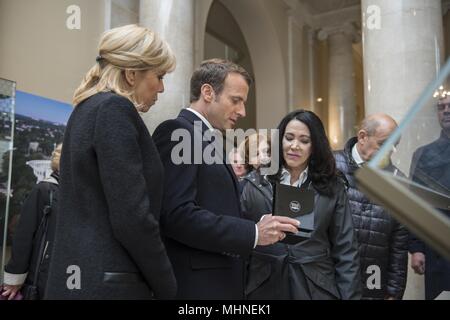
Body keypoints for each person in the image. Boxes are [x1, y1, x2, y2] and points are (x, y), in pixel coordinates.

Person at [44, 24, 177, 300]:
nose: (162, 88)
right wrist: (167, 283)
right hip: (109, 282)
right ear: (131, 74)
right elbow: (133, 217)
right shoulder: (115, 110)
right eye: (160, 76)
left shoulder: (86, 109)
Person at [153, 59, 300, 299]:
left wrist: (258, 221)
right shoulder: (179, 132)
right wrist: (252, 233)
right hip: (197, 287)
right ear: (208, 92)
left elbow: (213, 205)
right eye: (236, 100)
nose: (243, 111)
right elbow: (176, 215)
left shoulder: (206, 138)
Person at [241, 110, 361, 300]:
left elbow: (345, 249)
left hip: (317, 287)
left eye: (304, 140)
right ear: (279, 140)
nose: (294, 146)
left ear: (315, 146)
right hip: (264, 286)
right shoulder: (254, 183)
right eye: (288, 138)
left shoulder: (332, 187)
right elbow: (239, 244)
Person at [334, 113, 409, 300]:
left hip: (373, 281)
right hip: (331, 278)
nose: (390, 151)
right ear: (362, 137)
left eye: (394, 145)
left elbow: (399, 245)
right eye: (383, 144)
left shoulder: (398, 182)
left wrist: (394, 292)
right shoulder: (330, 165)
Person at [1, 144, 62, 300]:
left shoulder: (75, 193)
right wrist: (15, 278)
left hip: (64, 274)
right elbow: (24, 234)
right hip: (39, 276)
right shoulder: (44, 190)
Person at [409, 95, 450, 300]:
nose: (446, 111)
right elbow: (415, 205)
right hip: (438, 250)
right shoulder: (423, 154)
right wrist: (416, 248)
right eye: (441, 107)